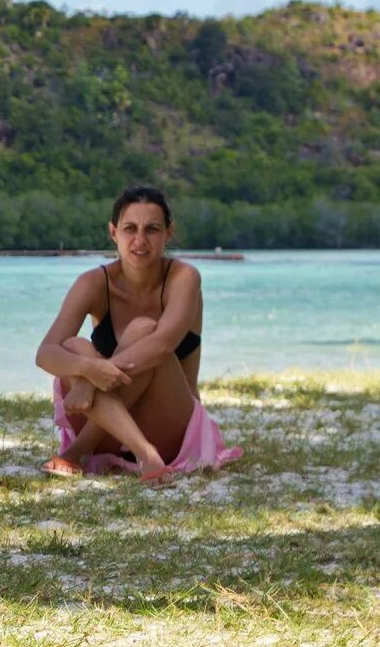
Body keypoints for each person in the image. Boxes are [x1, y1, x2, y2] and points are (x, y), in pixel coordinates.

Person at [35, 185, 239, 483]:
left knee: (144, 329)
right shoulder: (93, 283)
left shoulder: (183, 277)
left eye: (152, 229)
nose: (140, 240)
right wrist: (87, 369)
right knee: (73, 345)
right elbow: (46, 353)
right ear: (113, 232)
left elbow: (161, 345)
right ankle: (141, 452)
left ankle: (82, 451)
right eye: (130, 228)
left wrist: (90, 383)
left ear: (168, 233)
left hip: (171, 431)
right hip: (111, 425)